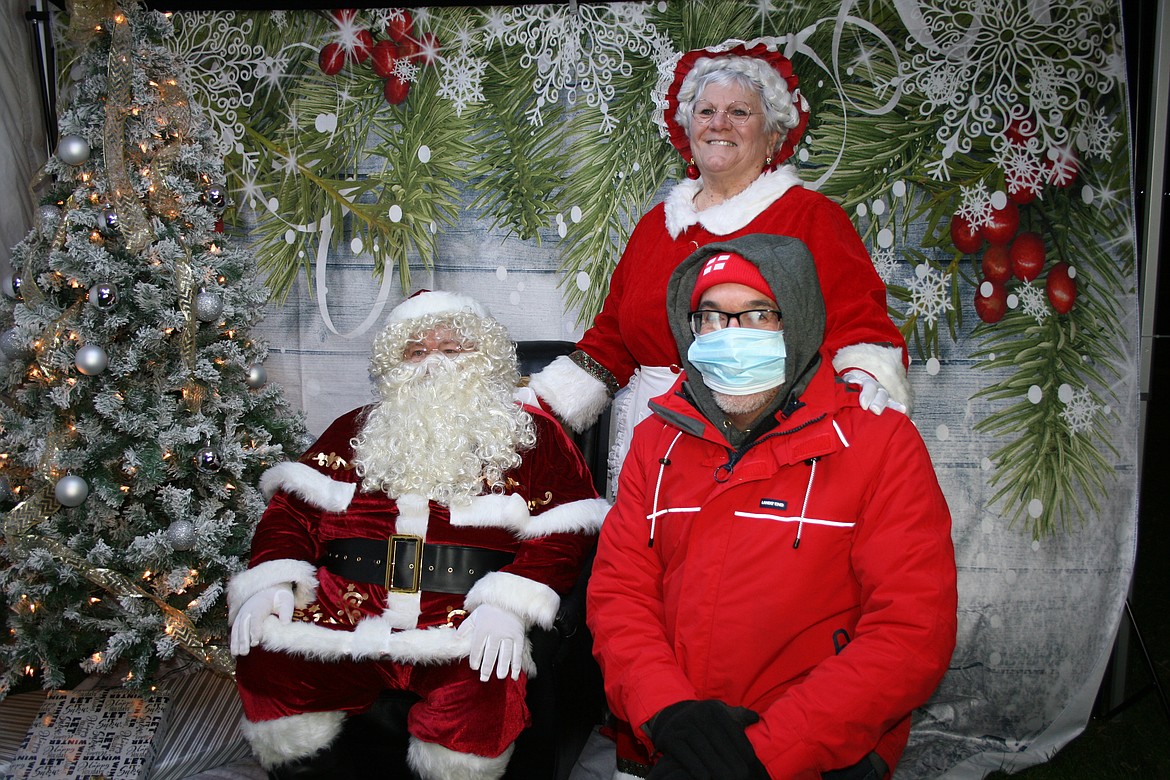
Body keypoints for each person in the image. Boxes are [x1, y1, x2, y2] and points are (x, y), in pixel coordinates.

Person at [586, 235, 957, 780]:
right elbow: (621, 594)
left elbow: (910, 630)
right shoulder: (655, 441)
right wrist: (667, 713)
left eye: (758, 314)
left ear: (799, 320)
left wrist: (767, 753)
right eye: (710, 317)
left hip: (819, 753)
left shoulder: (878, 443)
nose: (729, 336)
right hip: (670, 744)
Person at [227, 291, 608, 780]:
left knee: (485, 691)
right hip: (344, 611)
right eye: (416, 351)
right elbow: (290, 513)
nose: (434, 363)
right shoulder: (353, 429)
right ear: (393, 366)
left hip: (461, 619)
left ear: (485, 357)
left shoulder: (534, 436)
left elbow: (563, 535)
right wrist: (273, 582)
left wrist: (508, 604)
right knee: (269, 658)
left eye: (452, 349)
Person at [529, 37, 910, 488]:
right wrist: (539, 405)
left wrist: (863, 389)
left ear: (773, 134)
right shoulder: (658, 226)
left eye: (739, 112)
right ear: (688, 130)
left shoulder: (809, 217)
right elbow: (614, 334)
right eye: (706, 111)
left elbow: (859, 324)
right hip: (653, 442)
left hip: (768, 440)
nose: (718, 124)